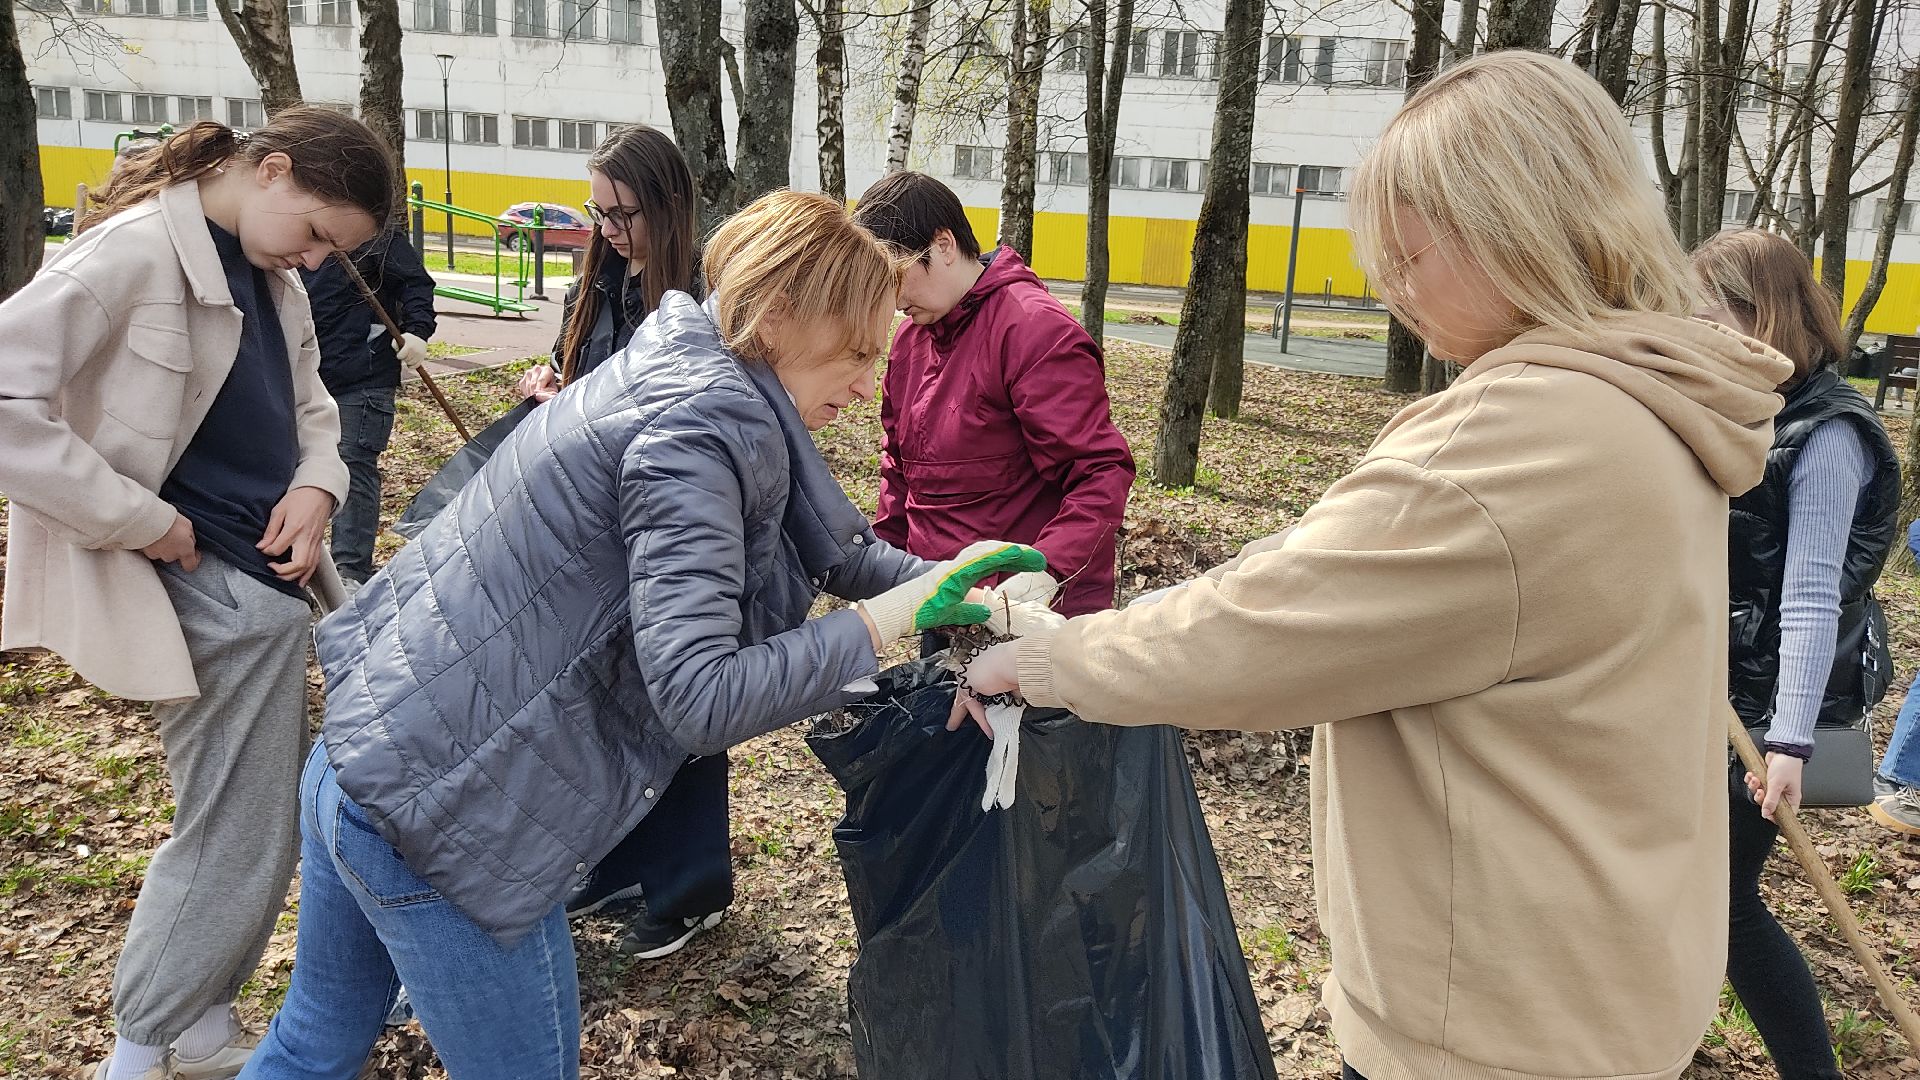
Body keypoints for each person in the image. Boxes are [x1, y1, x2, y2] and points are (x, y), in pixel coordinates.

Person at [957, 52, 1792, 1080]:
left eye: (1408, 254)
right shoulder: (1649, 403)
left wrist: (1044, 660)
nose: (1388, 286)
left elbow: (1260, 630)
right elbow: (1341, 566)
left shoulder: (1518, 438)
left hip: (1491, 1026)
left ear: (1515, 229)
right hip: (1609, 973)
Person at [235, 191, 1047, 1080]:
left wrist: (961, 593)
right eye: (855, 354)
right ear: (777, 318)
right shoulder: (697, 426)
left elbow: (829, 541)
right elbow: (700, 696)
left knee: (314, 1044)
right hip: (450, 812)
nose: (866, 384)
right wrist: (883, 628)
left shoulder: (697, 360)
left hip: (369, 754)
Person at [0, 109, 393, 1080]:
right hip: (200, 588)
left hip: (271, 593)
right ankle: (139, 1051)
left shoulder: (265, 271)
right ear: (272, 170)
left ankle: (201, 1024)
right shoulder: (133, 253)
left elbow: (314, 411)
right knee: (236, 829)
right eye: (315, 234)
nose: (311, 261)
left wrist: (318, 485)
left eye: (329, 251)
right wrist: (142, 521)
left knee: (257, 821)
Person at [1693, 229, 1900, 1078]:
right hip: (1713, 690)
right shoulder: (1751, 410)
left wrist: (1788, 742)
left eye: (1708, 311)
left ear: (1758, 312)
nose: (1695, 327)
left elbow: (1814, 596)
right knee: (1687, 893)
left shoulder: (1829, 434)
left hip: (1766, 707)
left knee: (1730, 907)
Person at [852, 171, 1134, 619]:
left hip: (1028, 609)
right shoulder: (910, 341)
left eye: (896, 275)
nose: (892, 298)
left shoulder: (1033, 331)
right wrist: (880, 571)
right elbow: (901, 471)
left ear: (943, 245)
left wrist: (1046, 571)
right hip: (944, 597)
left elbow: (1099, 473)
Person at [516, 123, 698, 403]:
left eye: (621, 215)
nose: (606, 230)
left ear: (669, 206)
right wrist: (549, 382)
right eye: (599, 213)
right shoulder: (586, 289)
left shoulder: (704, 300)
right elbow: (566, 367)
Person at [300, 226, 437, 589]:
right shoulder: (298, 231)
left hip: (363, 376)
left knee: (352, 466)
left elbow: (416, 285)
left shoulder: (375, 235)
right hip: (304, 374)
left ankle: (349, 573)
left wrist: (418, 331)